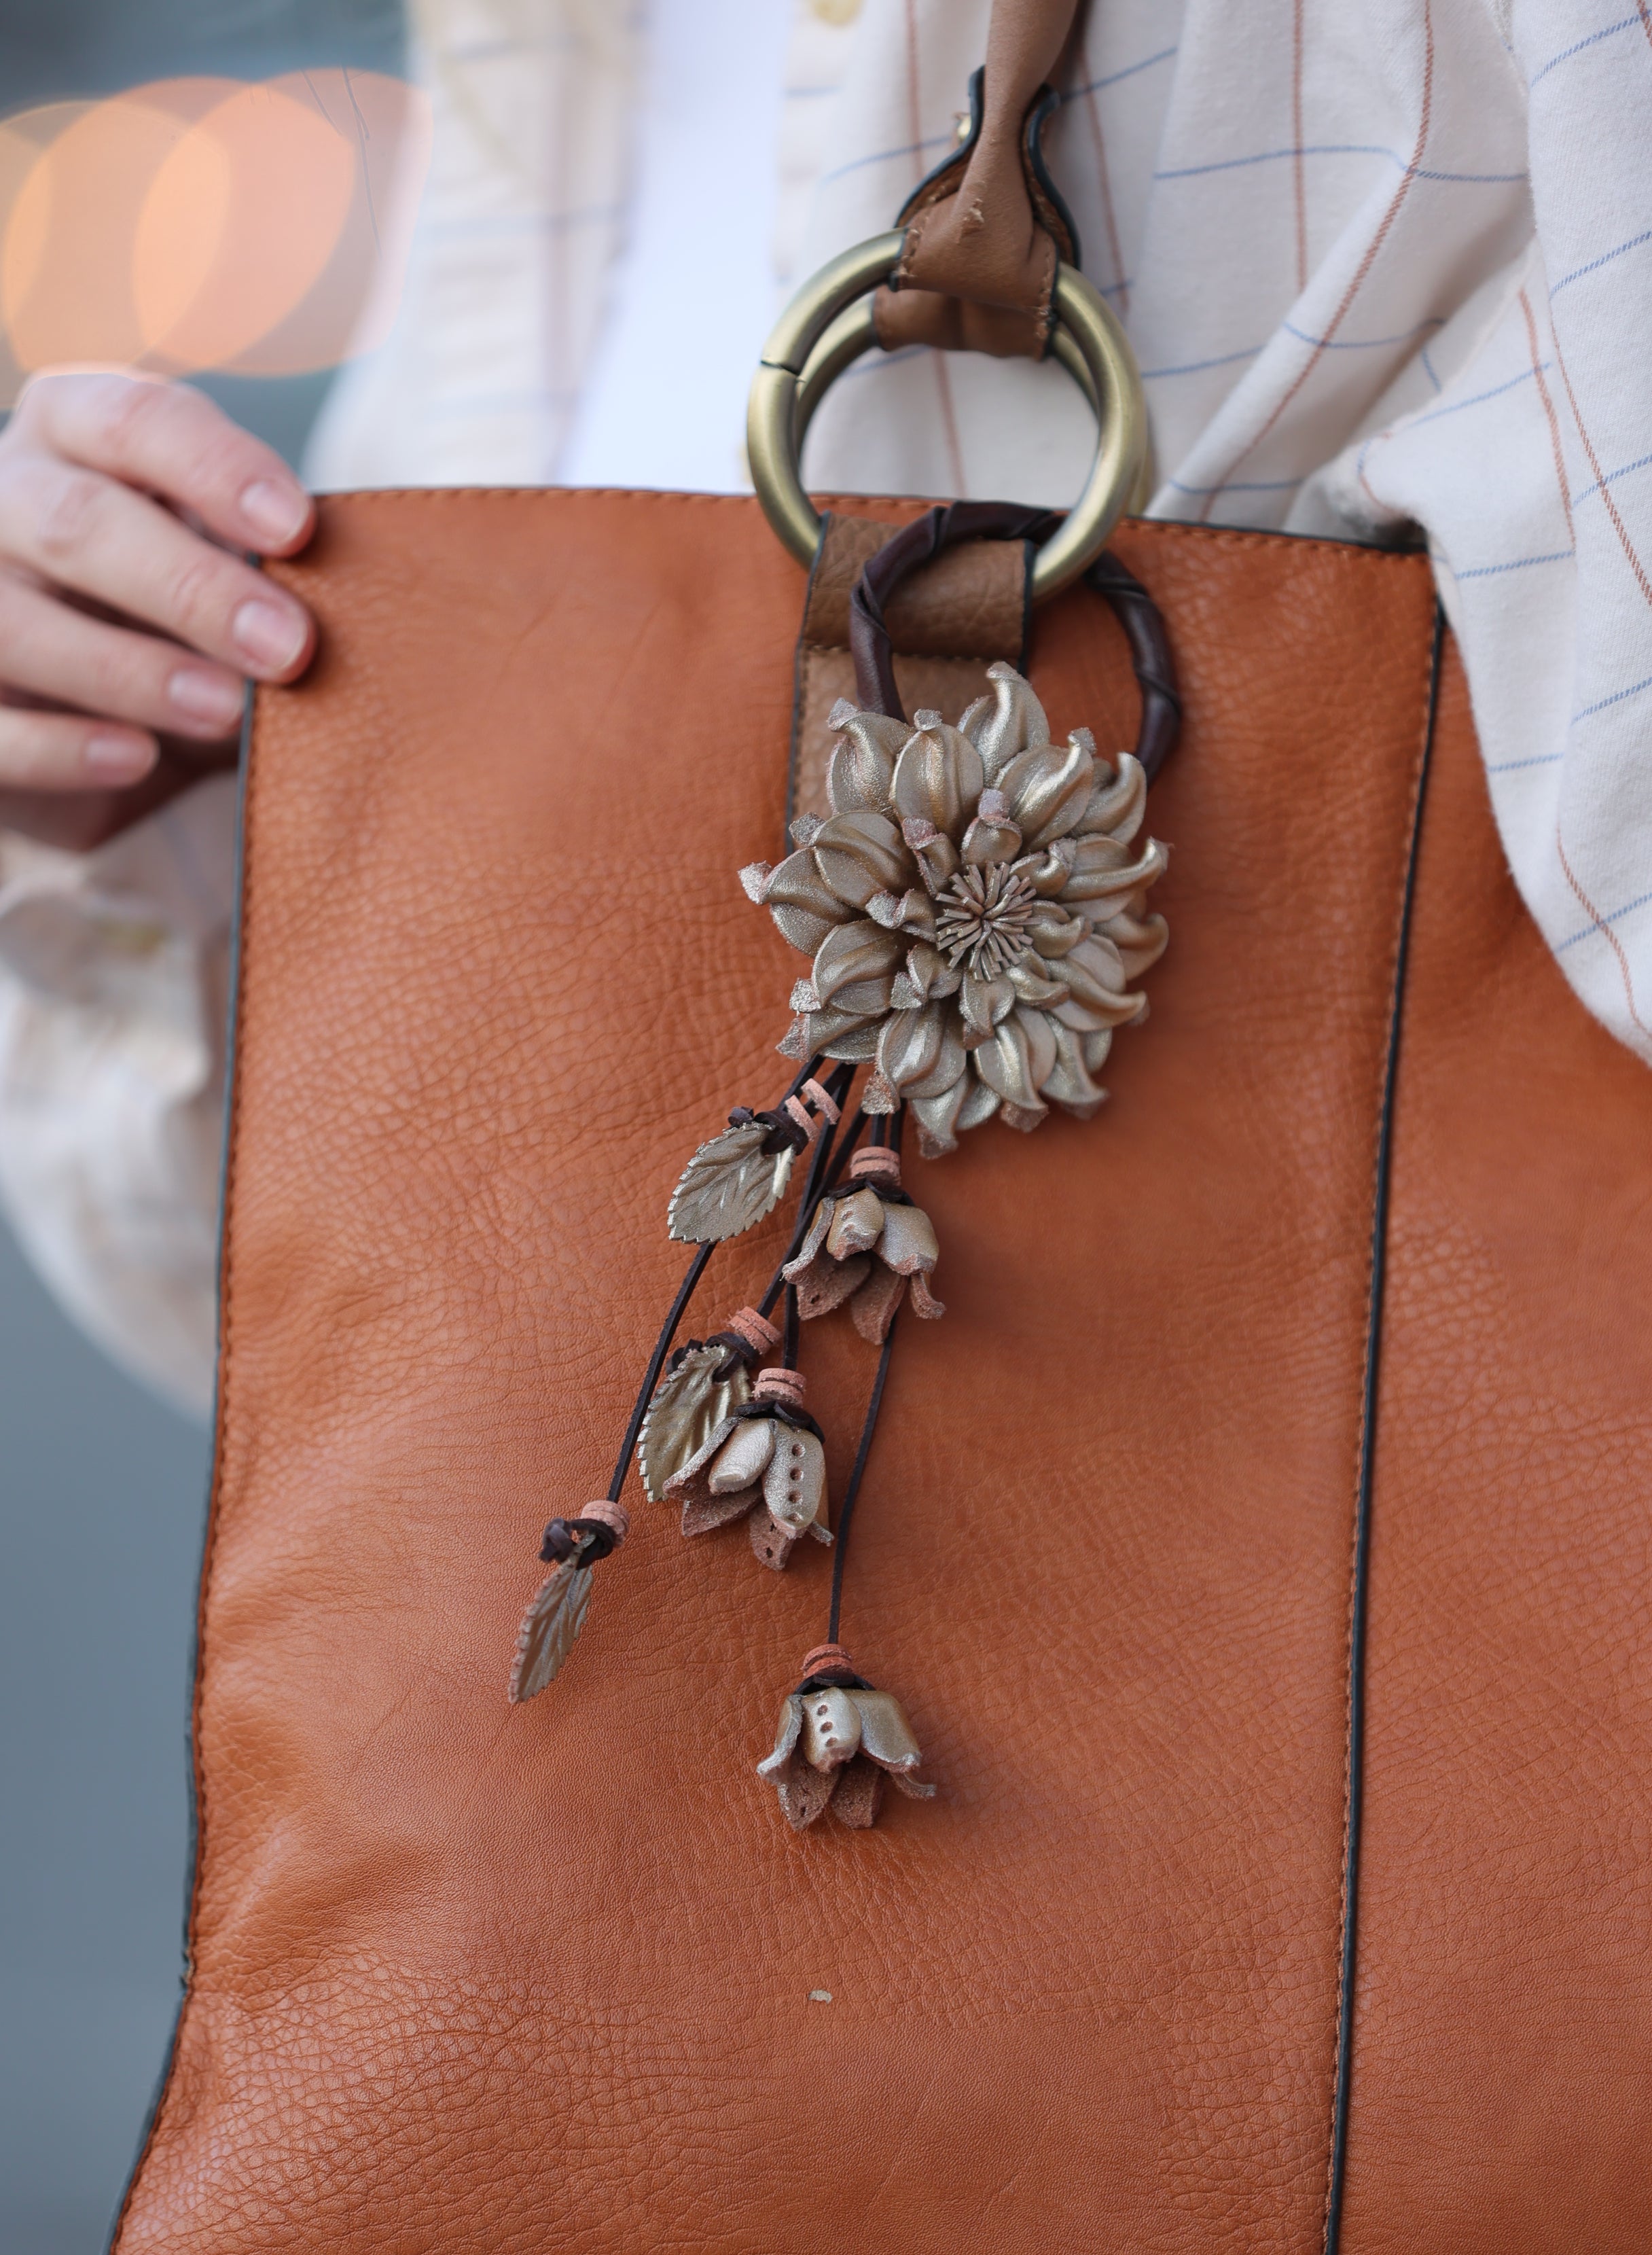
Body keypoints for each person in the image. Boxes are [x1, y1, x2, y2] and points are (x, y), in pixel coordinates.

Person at [1, 0, 1647, 1414]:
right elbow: (379, 1348)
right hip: (628, 1716)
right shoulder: (555, 62)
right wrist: (164, 812)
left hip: (1340, 1670)